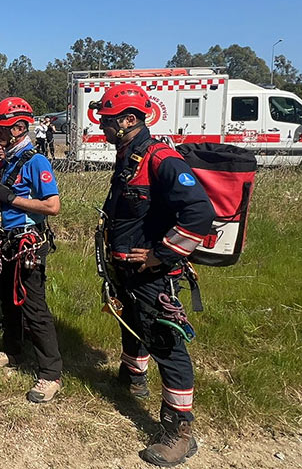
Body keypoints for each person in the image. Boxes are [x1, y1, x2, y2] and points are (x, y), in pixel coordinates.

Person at [92, 84, 214, 467]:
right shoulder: (129, 154)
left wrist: (161, 255)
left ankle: (179, 432)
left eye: (108, 120)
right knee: (132, 323)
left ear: (130, 120)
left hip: (153, 275)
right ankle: (132, 377)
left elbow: (199, 213)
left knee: (167, 345)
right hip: (128, 269)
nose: (102, 126)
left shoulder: (161, 158)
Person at [0, 96, 64, 404]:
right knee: (7, 299)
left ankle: (50, 374)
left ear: (19, 128)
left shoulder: (35, 161)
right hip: (5, 241)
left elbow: (52, 206)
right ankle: (13, 349)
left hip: (27, 243)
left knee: (34, 308)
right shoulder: (6, 163)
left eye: (1, 129)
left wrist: (13, 200)